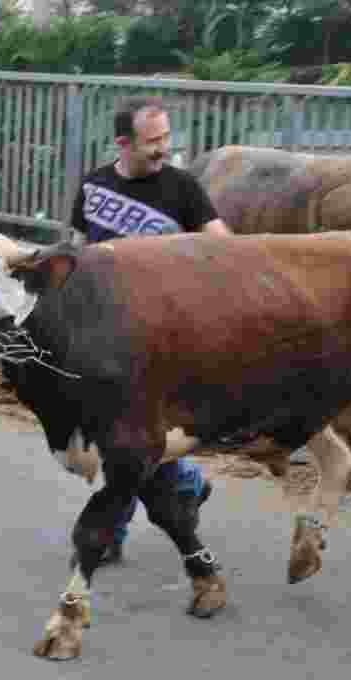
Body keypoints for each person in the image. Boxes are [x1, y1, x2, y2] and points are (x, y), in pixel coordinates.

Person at [69, 95, 233, 565]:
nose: (164, 149)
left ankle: (111, 532)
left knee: (125, 434)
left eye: (166, 138)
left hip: (161, 335)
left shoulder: (182, 188)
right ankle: (186, 484)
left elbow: (224, 249)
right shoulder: (94, 186)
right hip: (104, 331)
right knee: (120, 432)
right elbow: (79, 252)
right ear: (123, 143)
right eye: (153, 141)